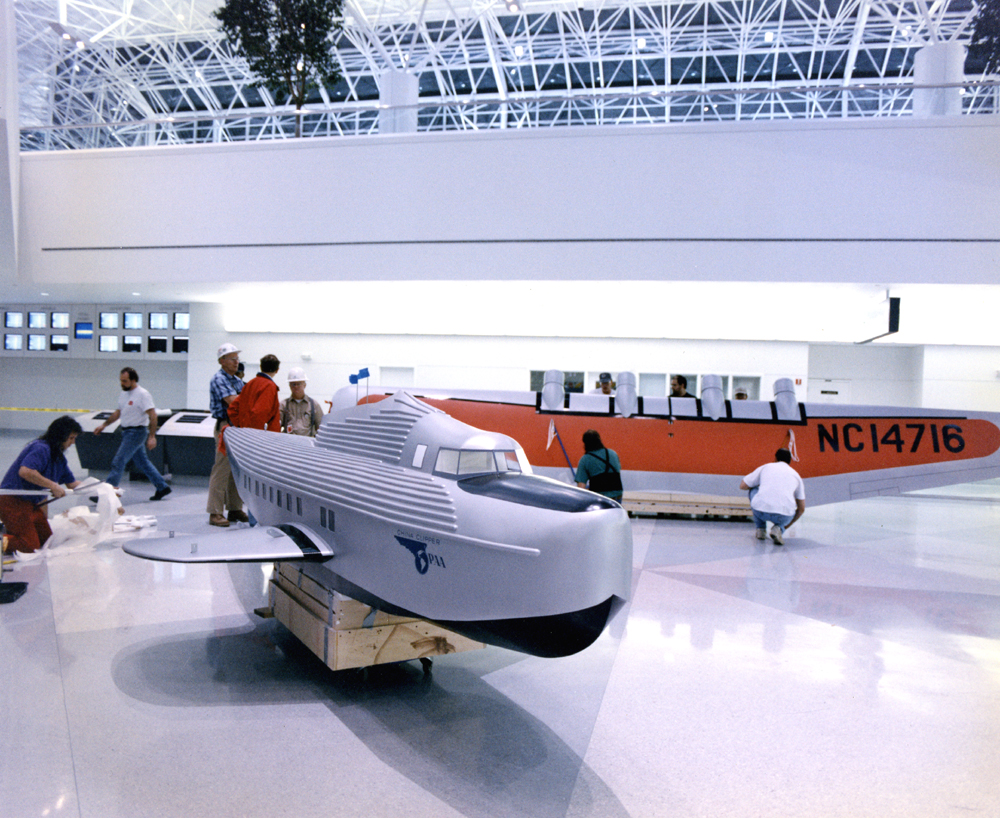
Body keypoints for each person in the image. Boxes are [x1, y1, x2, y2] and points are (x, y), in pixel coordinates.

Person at [0, 416, 84, 554]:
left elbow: (72, 483)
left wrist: (103, 488)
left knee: (46, 540)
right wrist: (52, 485)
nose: (73, 442)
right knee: (29, 545)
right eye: (71, 438)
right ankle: (6, 539)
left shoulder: (58, 458)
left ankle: (12, 532)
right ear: (61, 436)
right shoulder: (41, 448)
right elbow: (26, 471)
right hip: (13, 502)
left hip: (31, 505)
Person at [93, 367, 171, 501]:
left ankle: (108, 495)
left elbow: (153, 415)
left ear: (133, 380)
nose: (122, 384)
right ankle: (162, 487)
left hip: (136, 432)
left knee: (118, 461)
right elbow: (118, 412)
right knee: (143, 463)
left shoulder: (143, 394)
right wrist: (104, 425)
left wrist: (152, 436)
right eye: (121, 381)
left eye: (125, 381)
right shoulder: (124, 393)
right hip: (126, 431)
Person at [207, 343, 246, 528]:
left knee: (235, 470)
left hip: (236, 428)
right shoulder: (219, 379)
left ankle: (235, 508)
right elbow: (233, 402)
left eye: (237, 358)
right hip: (225, 427)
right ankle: (215, 512)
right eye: (232, 358)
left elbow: (247, 396)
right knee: (221, 470)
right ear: (222, 361)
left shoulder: (236, 380)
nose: (236, 362)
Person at [739, 448, 805, 545]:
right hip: (783, 516)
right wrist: (785, 527)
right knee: (791, 505)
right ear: (790, 461)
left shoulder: (766, 467)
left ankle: (760, 529)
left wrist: (760, 485)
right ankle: (779, 529)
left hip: (760, 511)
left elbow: (743, 486)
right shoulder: (796, 475)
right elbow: (801, 509)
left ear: (775, 458)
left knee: (753, 489)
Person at [575, 429, 623, 502]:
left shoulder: (585, 459)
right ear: (599, 440)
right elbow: (617, 472)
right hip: (617, 498)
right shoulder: (613, 453)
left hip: (600, 499)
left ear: (585, 444)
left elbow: (581, 488)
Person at [280, 367, 324, 436]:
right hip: (288, 444)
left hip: (308, 444)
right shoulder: (283, 405)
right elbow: (276, 425)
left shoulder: (314, 405)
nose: (296, 386)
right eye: (293, 384)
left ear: (304, 385)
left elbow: (321, 428)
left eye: (299, 383)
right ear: (289, 386)